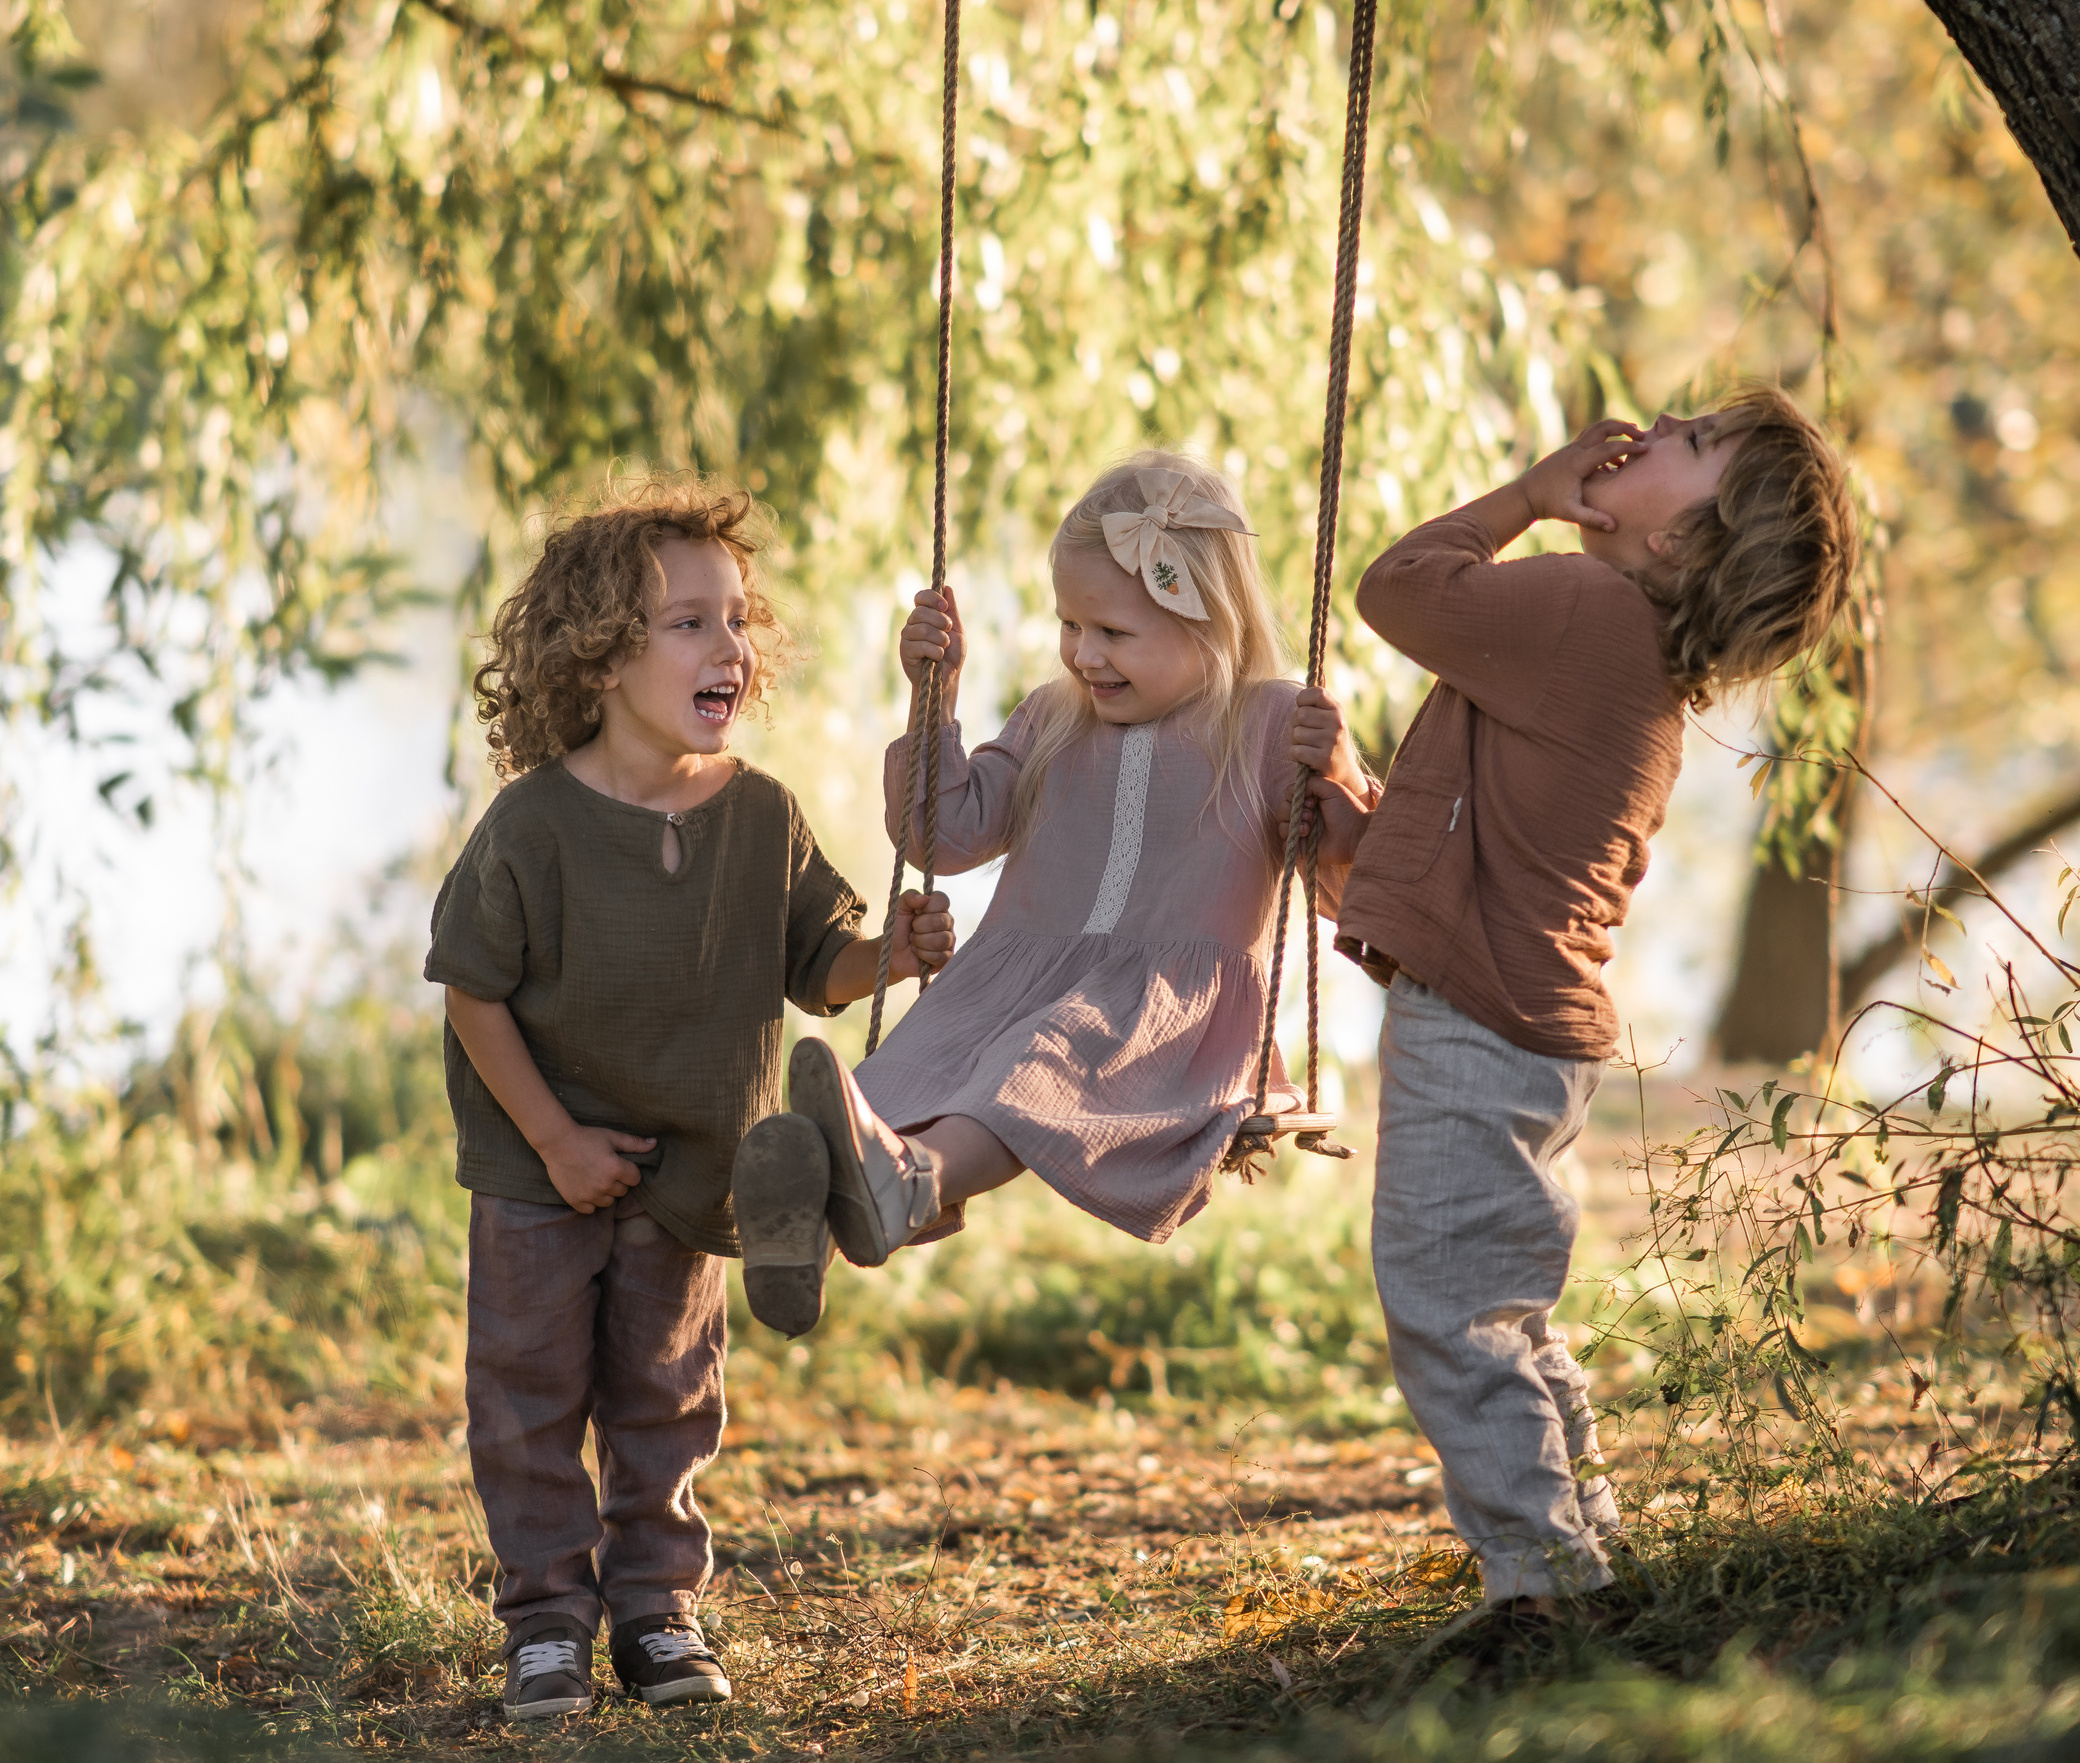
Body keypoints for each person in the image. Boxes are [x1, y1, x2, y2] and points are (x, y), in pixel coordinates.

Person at [1300, 387, 1859, 1611]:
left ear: (1680, 542)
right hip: (1525, 1030)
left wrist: (1530, 494)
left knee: (1448, 1306)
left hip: (1484, 1022)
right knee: (1502, 1305)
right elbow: (1490, 834)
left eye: (1692, 443)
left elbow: (1396, 587)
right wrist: (1352, 815)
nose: (1652, 425)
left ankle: (1542, 1589)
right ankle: (1584, 1554)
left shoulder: (1584, 606)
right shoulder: (1621, 644)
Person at [425, 478, 955, 1719]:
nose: (730, 645)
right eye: (689, 623)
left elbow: (818, 959)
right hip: (538, 1172)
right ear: (601, 656)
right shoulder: (531, 824)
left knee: (667, 1396)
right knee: (528, 1397)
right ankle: (548, 1618)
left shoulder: (760, 813)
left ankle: (658, 1607)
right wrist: (553, 1139)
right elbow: (471, 990)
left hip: (691, 1169)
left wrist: (895, 954)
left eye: (736, 620)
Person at [729, 451, 1370, 1335]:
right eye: (1070, 624)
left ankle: (911, 1184)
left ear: (1208, 621)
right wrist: (934, 701)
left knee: (1038, 1062)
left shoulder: (1264, 723)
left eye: (1111, 632)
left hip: (1164, 1013)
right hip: (1015, 978)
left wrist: (1333, 773)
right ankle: (816, 1220)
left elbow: (1346, 883)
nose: (1082, 653)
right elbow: (940, 835)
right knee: (899, 1078)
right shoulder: (1052, 716)